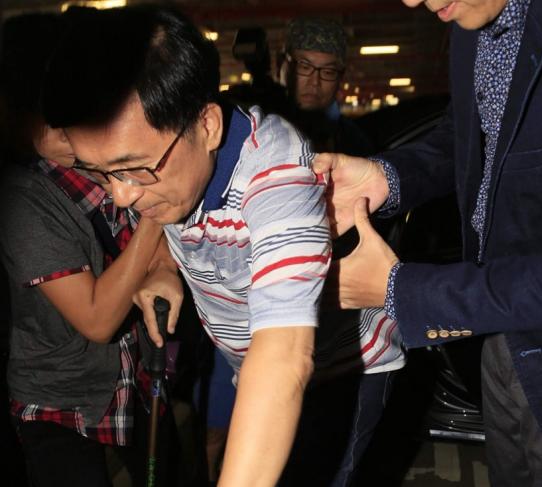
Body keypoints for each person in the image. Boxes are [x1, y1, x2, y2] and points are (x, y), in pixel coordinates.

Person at [41, 6, 404, 487]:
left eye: (133, 169)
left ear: (208, 126)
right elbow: (169, 219)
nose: (122, 196)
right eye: (101, 172)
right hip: (245, 360)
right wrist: (165, 265)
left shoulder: (279, 177)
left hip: (341, 371)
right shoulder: (171, 164)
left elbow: (284, 355)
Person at [312, 0, 542, 486]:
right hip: (499, 335)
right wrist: (385, 178)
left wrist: (400, 290)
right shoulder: (473, 18)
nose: (412, 2)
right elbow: (467, 135)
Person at [0, 11, 183, 487]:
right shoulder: (22, 199)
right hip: (59, 400)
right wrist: (153, 208)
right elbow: (98, 319)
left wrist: (164, 268)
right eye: (56, 120)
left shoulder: (95, 155)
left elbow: (162, 245)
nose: (76, 129)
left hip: (134, 379)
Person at [280, 17, 374, 155]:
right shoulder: (260, 129)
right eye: (304, 67)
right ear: (286, 68)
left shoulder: (354, 142)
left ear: (340, 78)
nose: (315, 82)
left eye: (328, 72)